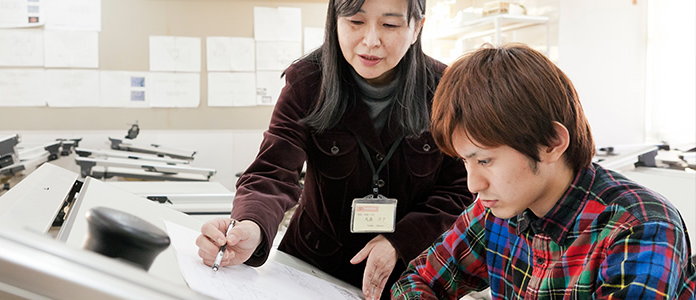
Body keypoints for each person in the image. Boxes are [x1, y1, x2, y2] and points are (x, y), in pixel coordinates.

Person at [196, 0, 474, 299]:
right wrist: (251, 226)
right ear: (335, 21)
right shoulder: (307, 82)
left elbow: (459, 189)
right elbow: (273, 171)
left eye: (390, 25)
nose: (371, 41)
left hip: (408, 273)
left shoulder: (445, 88)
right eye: (355, 22)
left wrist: (401, 240)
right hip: (311, 267)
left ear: (417, 28)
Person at [391, 43, 696, 299]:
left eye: (484, 161)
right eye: (465, 162)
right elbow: (416, 281)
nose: (473, 184)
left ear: (551, 143)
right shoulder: (492, 212)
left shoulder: (640, 227)